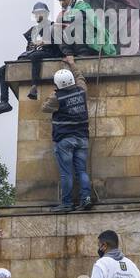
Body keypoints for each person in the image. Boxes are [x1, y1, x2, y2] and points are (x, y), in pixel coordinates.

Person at [0, 2, 62, 115]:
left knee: (35, 56)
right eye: (36, 13)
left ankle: (34, 86)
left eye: (41, 13)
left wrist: (46, 42)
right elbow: (29, 48)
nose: (38, 16)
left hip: (49, 54)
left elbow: (60, 44)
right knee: (3, 69)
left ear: (47, 14)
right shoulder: (33, 30)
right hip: (33, 56)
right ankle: (4, 102)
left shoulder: (53, 27)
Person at [43, 68, 93, 212]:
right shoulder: (82, 91)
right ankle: (86, 199)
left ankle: (67, 203)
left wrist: (54, 92)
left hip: (65, 140)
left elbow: (45, 108)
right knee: (82, 171)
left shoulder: (56, 98)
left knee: (66, 173)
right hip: (82, 138)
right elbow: (81, 77)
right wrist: (72, 64)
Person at [52, 0, 117, 67]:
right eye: (60, 0)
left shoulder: (81, 5)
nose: (62, 2)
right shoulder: (66, 11)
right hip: (72, 41)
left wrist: (67, 22)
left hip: (88, 40)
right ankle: (68, 54)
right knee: (54, 29)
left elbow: (81, 17)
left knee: (76, 28)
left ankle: (83, 54)